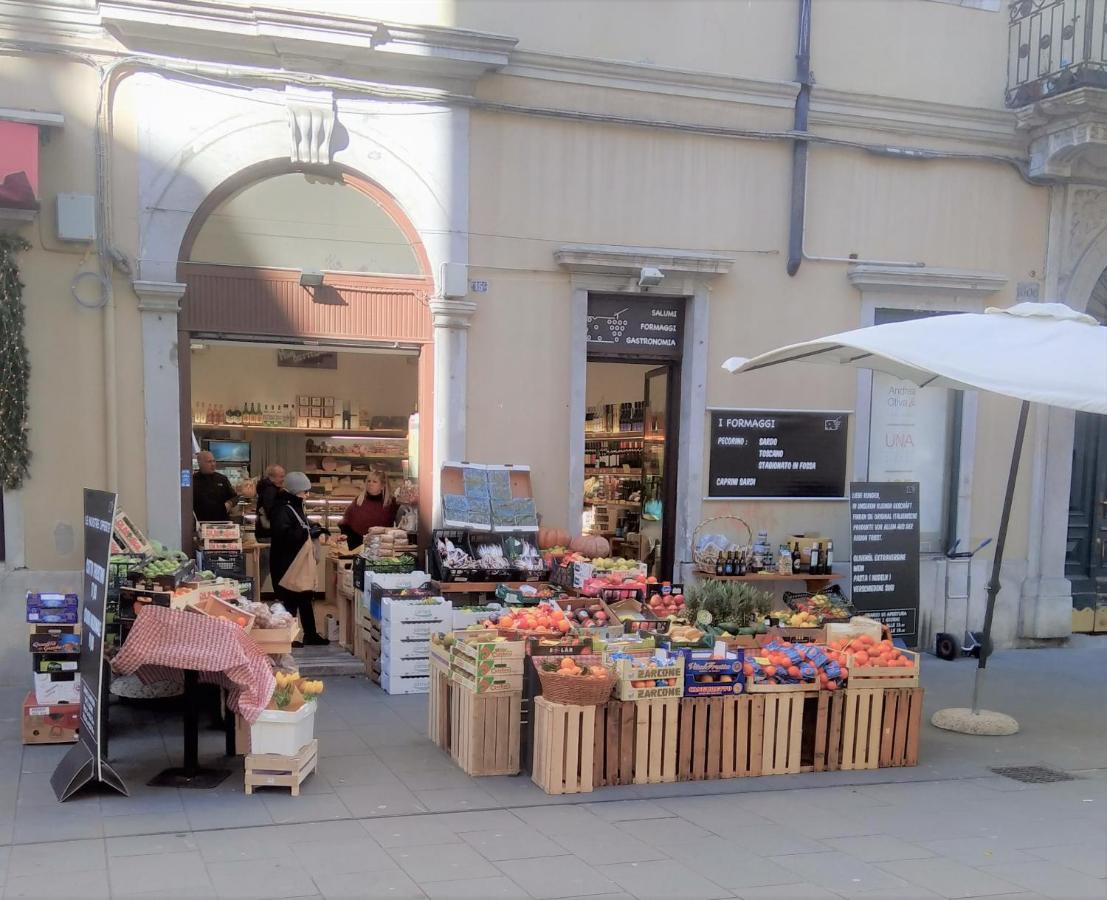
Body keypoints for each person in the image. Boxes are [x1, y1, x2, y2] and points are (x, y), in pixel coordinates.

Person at [269, 471, 329, 646]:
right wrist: (307, 532)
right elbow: (283, 535)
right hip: (287, 563)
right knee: (291, 601)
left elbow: (300, 525)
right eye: (305, 492)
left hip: (297, 561)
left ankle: (309, 634)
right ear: (295, 491)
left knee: (304, 597)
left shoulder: (295, 506)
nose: (307, 495)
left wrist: (314, 527)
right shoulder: (282, 508)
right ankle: (290, 636)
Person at [338, 469, 399, 550]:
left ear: (383, 485)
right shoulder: (359, 500)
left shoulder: (391, 502)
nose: (370, 484)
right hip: (357, 543)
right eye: (369, 481)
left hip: (381, 544)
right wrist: (345, 534)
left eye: (374, 481)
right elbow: (346, 521)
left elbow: (400, 523)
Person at [193, 450, 237, 522]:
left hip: (222, 523)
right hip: (201, 523)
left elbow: (235, 497)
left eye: (214, 461)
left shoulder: (222, 479)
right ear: (200, 464)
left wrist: (230, 503)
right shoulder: (193, 481)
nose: (213, 464)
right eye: (209, 462)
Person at [254, 464, 285, 539]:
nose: (283, 479)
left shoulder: (266, 488)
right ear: (272, 477)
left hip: (264, 531)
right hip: (269, 533)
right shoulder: (270, 490)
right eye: (281, 476)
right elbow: (271, 511)